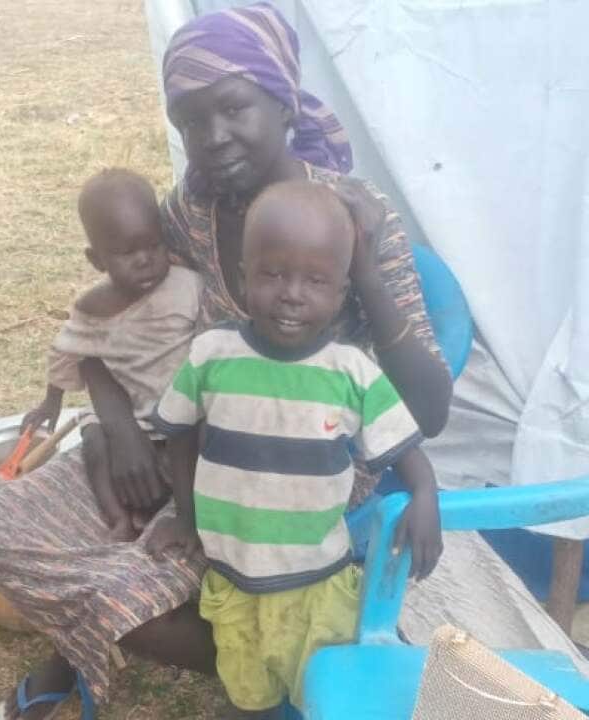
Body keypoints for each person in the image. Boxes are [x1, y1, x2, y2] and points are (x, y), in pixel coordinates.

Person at [0, 5, 452, 719]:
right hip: (184, 430)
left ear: (283, 104)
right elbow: (107, 316)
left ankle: (271, 666)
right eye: (190, 120)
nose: (212, 137)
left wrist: (367, 271)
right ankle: (95, 629)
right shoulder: (192, 211)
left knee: (127, 589)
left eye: (233, 107)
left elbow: (429, 412)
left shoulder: (349, 214)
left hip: (300, 463)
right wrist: (118, 424)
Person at [147, 180, 444, 718]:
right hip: (232, 577)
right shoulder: (211, 355)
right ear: (243, 278)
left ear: (341, 293)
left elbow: (402, 446)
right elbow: (179, 431)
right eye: (273, 274)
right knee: (247, 696)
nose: (291, 294)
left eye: (316, 280)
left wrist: (426, 493)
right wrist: (186, 516)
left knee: (325, 698)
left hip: (317, 585)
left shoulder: (351, 372)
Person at [20, 168, 203, 542]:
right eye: (127, 252)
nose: (145, 260)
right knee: (93, 434)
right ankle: (118, 517)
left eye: (153, 245)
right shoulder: (93, 308)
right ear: (97, 260)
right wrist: (51, 402)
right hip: (133, 416)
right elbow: (65, 351)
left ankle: (181, 511)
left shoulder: (187, 286)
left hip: (182, 417)